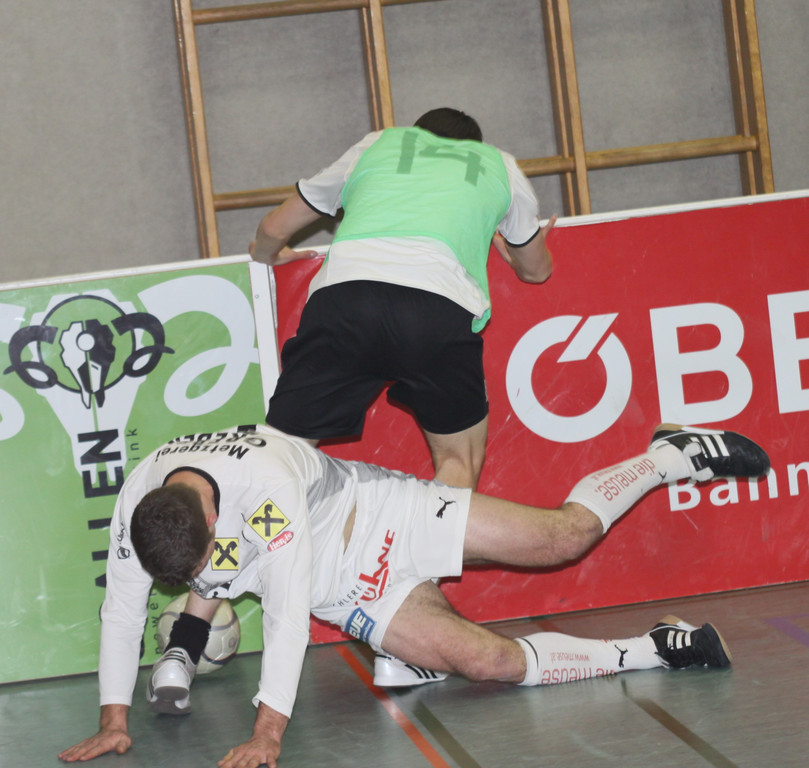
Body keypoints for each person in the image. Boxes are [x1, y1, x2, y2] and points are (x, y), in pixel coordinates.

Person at [58, 421, 769, 768]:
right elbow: (120, 612)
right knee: (490, 663)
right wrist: (113, 717)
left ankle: (669, 455)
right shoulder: (138, 509)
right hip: (348, 592)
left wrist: (267, 733)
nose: (203, 580)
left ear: (213, 518)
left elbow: (284, 617)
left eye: (203, 562)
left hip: (383, 514)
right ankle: (653, 649)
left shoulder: (263, 489)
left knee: (563, 537)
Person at [250, 107, 555, 489]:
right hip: (437, 308)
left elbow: (273, 227)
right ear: (473, 146)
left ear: (415, 134)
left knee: (284, 454)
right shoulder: (500, 164)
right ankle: (438, 530)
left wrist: (267, 253)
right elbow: (537, 270)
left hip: (345, 301)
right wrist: (513, 254)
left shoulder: (379, 142)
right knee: (459, 460)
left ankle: (267, 526)